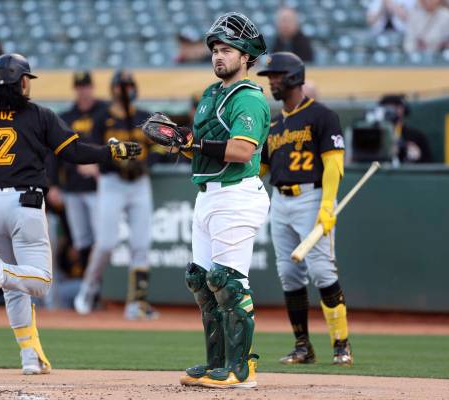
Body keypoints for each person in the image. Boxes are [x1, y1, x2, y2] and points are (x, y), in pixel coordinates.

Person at [0, 53, 141, 375]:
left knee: (16, 289)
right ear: (23, 81)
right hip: (24, 205)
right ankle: (3, 275)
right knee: (39, 282)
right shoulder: (39, 115)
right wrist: (110, 151)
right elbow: (73, 152)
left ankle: (30, 357)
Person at [174, 12, 270, 388]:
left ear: (245, 57)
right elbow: (203, 151)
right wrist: (181, 144)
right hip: (209, 194)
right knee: (201, 281)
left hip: (237, 193)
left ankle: (240, 368)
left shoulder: (248, 98)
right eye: (215, 49)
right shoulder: (211, 94)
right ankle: (217, 362)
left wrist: (195, 143)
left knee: (228, 282)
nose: (218, 55)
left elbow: (242, 151)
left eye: (227, 49)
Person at [257, 52, 353, 366]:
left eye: (277, 75)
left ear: (295, 76)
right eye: (270, 76)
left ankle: (341, 345)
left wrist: (328, 204)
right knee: (288, 275)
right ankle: (303, 346)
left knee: (322, 270)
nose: (272, 81)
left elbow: (333, 164)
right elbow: (261, 169)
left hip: (313, 197)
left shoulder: (322, 115)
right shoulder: (274, 125)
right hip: (280, 201)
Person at [73, 70, 158, 320]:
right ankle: (87, 290)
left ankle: (137, 303)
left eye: (129, 85)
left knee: (141, 244)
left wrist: (145, 162)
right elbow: (92, 151)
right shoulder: (102, 117)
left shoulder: (144, 117)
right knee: (107, 243)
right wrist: (113, 162)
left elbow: (159, 148)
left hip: (139, 183)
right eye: (122, 85)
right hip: (112, 182)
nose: (125, 90)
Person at [58, 71, 108, 286]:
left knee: (103, 240)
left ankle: (103, 286)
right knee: (82, 241)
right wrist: (51, 184)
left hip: (99, 187)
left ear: (92, 87)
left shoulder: (104, 112)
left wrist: (103, 167)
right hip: (73, 187)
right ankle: (91, 288)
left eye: (86, 86)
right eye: (80, 87)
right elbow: (54, 153)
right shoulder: (66, 117)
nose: (83, 90)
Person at [379, 94, 433, 163]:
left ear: (404, 109)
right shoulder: (374, 135)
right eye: (387, 107)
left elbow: (429, 165)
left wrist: (417, 158)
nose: (392, 111)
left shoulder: (416, 136)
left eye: (396, 106)